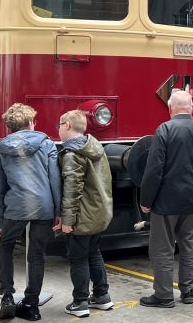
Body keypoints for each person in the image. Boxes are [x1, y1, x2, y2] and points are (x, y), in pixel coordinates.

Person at [138, 91, 193, 308]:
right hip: (192, 201)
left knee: (162, 249)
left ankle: (163, 295)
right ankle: (188, 291)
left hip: (165, 203)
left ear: (170, 108)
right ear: (191, 107)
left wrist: (146, 199)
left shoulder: (165, 130)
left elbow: (154, 170)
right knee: (189, 245)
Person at [0, 103, 61, 321]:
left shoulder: (1, 150)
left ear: (10, 126)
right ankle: (31, 305)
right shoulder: (47, 144)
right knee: (37, 255)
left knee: (6, 246)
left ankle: (7, 297)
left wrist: (1, 223)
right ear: (31, 122)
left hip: (15, 207)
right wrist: (58, 210)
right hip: (44, 207)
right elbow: (54, 180)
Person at [56, 110, 115, 317]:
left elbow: (72, 189)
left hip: (83, 214)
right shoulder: (95, 146)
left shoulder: (73, 154)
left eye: (59, 125)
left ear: (67, 126)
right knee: (94, 253)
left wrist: (68, 220)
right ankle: (102, 296)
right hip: (99, 211)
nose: (58, 129)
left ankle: (80, 302)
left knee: (78, 258)